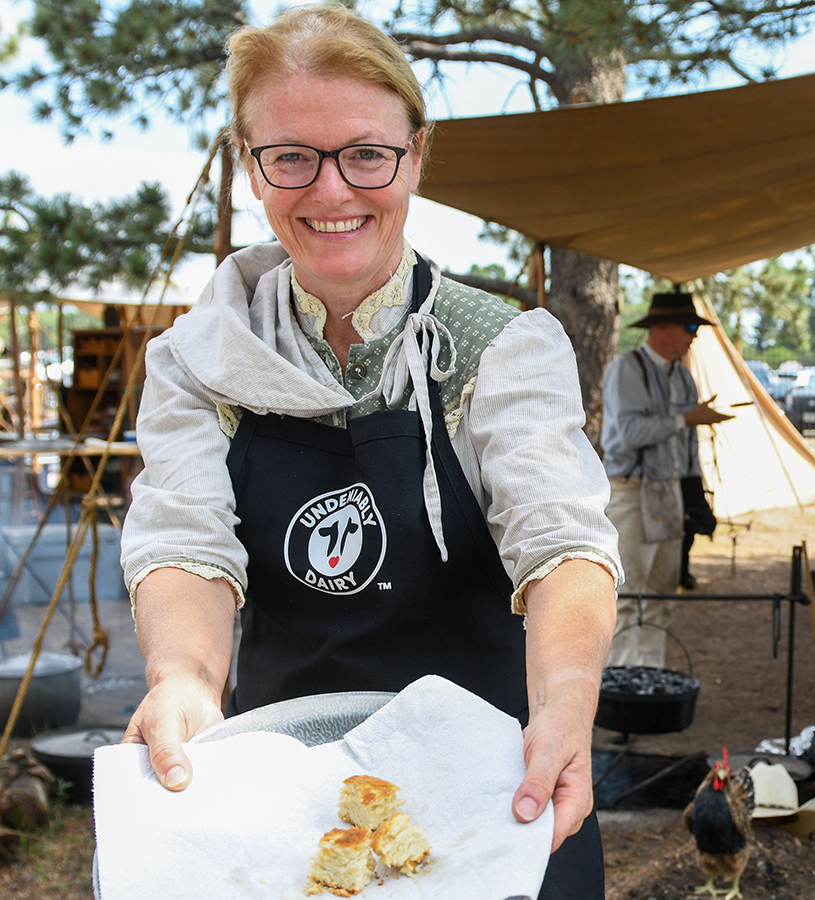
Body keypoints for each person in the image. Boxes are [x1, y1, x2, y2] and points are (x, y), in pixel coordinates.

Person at [117, 6, 619, 897]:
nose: (333, 190)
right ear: (251, 161)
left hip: (497, 789)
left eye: (366, 153)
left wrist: (567, 702)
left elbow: (562, 543)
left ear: (415, 155)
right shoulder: (200, 357)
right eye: (292, 157)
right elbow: (184, 540)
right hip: (290, 801)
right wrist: (186, 679)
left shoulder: (498, 347)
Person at [601, 292, 732, 668]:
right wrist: (687, 418)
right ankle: (620, 680)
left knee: (661, 592)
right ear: (661, 329)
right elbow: (629, 434)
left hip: (668, 491)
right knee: (628, 595)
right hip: (631, 490)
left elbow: (688, 447)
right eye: (689, 327)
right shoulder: (628, 368)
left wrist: (695, 499)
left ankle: (650, 675)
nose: (694, 335)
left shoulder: (682, 375)